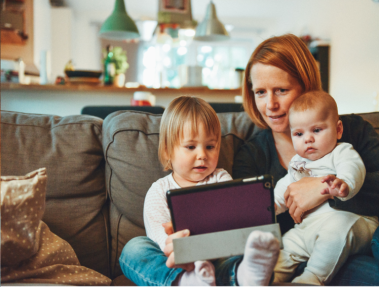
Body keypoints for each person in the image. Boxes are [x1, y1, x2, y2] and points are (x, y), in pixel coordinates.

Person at [233, 33, 379, 285]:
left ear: (306, 86)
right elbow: (249, 225)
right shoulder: (252, 155)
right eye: (260, 92)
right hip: (305, 257)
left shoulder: (350, 130)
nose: (270, 104)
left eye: (281, 90)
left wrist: (324, 188)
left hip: (365, 240)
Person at [120, 95, 280, 286]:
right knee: (134, 248)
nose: (202, 155)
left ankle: (246, 275)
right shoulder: (158, 191)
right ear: (167, 151)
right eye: (190, 147)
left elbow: (233, 224)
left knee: (245, 248)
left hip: (218, 257)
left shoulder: (221, 179)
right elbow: (159, 240)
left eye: (210, 146)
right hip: (177, 262)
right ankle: (186, 281)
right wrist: (180, 249)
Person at [271, 90, 379, 285]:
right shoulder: (297, 163)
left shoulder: (341, 151)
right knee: (285, 245)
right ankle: (266, 278)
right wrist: (270, 206)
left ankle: (311, 278)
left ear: (338, 130)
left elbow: (353, 167)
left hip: (351, 222)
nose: (308, 139)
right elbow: (285, 188)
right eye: (299, 133)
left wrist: (344, 183)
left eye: (317, 130)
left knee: (335, 230)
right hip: (307, 229)